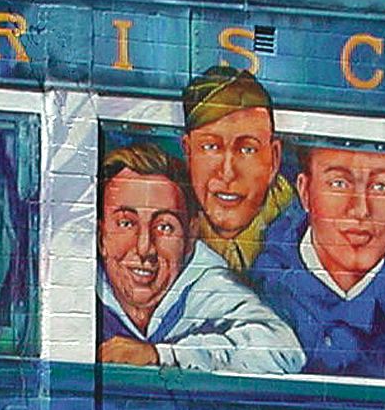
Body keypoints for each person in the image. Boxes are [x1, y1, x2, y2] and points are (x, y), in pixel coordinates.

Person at [96, 143, 304, 374]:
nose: (145, 248)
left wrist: (163, 356)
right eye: (126, 223)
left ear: (191, 235)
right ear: (101, 235)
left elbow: (284, 351)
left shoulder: (208, 285)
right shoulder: (77, 287)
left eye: (165, 227)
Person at [247, 145, 385, 379]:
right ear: (305, 192)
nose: (360, 210)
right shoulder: (263, 291)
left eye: (379, 187)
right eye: (339, 184)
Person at [181, 65, 295, 271]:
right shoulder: (165, 224)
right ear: (188, 153)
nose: (227, 173)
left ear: (274, 158)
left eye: (247, 149)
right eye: (210, 147)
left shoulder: (304, 227)